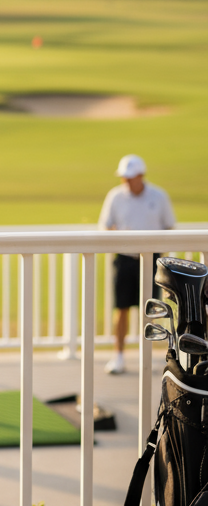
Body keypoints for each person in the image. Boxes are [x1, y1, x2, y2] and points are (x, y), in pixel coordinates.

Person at [99, 154, 176, 374]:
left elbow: (169, 226)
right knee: (121, 308)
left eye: (130, 176)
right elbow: (105, 226)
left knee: (151, 310)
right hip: (124, 258)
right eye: (124, 176)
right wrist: (121, 235)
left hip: (152, 260)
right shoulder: (115, 196)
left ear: (141, 175)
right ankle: (119, 356)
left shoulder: (158, 196)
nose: (126, 180)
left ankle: (147, 356)